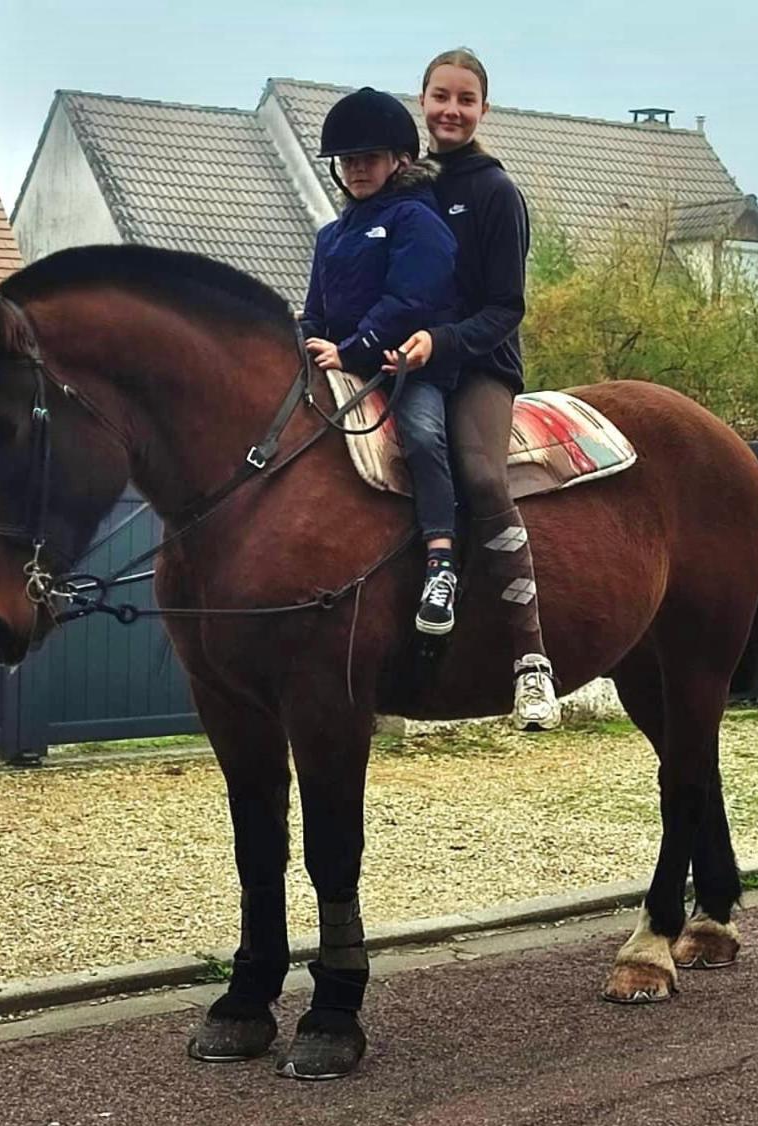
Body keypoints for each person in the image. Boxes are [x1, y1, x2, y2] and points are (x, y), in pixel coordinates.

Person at [384, 48, 562, 730]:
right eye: (439, 97)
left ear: (483, 110)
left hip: (480, 361)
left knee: (482, 476)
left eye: (464, 99)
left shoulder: (495, 193)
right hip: (408, 359)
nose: (450, 110)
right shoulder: (406, 184)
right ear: (421, 102)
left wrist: (442, 341)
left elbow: (505, 307)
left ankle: (530, 661)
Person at [301, 87, 462, 635]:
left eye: (367, 159)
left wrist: (350, 351)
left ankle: (442, 561)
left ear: (400, 161)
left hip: (404, 369)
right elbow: (314, 313)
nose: (356, 169)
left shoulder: (418, 220)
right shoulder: (330, 236)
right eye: (347, 161)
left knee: (420, 435)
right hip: (341, 369)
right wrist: (299, 344)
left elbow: (409, 302)